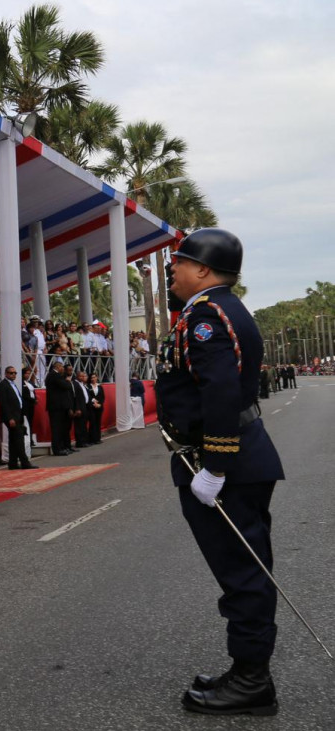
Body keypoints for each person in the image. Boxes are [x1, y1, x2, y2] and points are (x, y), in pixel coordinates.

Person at [157, 228, 285, 716]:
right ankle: (247, 670)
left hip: (226, 465)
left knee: (243, 573)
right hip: (234, 460)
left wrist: (214, 467)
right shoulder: (216, 309)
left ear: (203, 271)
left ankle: (253, 682)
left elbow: (220, 395)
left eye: (180, 263)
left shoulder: (209, 315)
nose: (173, 270)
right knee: (244, 569)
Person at [0, 365, 37, 470]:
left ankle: (13, 463)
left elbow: (18, 400)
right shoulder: (3, 385)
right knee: (19, 440)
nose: (13, 375)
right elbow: (4, 404)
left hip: (18, 415)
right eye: (11, 373)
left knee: (14, 440)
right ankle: (25, 463)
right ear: (6, 374)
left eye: (15, 373)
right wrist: (10, 418)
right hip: (11, 417)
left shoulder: (13, 384)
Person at [45, 358, 74, 456]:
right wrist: (68, 381)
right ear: (57, 367)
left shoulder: (56, 376)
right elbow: (66, 386)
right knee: (57, 429)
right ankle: (57, 449)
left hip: (59, 406)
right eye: (61, 366)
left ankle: (62, 447)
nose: (63, 369)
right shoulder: (54, 376)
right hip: (56, 407)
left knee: (61, 428)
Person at [71, 367, 91, 449]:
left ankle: (84, 441)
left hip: (85, 406)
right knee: (79, 426)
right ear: (77, 376)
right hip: (79, 407)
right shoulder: (75, 384)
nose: (83, 378)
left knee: (84, 425)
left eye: (83, 376)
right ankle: (79, 442)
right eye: (81, 376)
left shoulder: (82, 384)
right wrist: (77, 408)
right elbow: (75, 398)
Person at [86, 372, 104, 444]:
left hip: (99, 407)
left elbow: (102, 397)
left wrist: (100, 404)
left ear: (97, 378)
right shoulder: (88, 386)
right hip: (91, 407)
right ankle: (92, 439)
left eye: (94, 377)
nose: (93, 379)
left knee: (98, 422)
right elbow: (88, 396)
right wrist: (94, 402)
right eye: (92, 377)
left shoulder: (100, 386)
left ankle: (98, 438)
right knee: (92, 423)